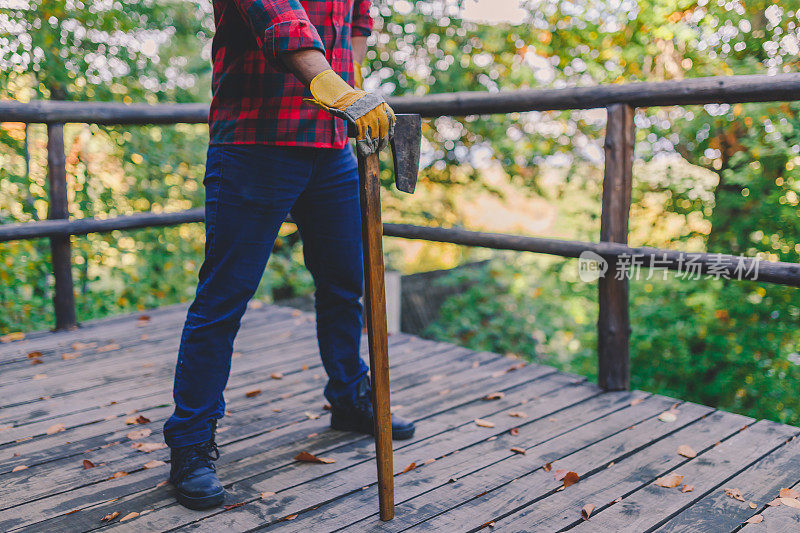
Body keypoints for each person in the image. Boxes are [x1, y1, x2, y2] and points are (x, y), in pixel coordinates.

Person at [162, 0, 415, 511]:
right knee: (223, 299)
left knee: (346, 285)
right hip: (256, 139)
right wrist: (335, 89)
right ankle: (190, 442)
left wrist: (354, 95)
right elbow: (281, 20)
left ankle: (348, 398)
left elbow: (356, 24)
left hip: (331, 148)